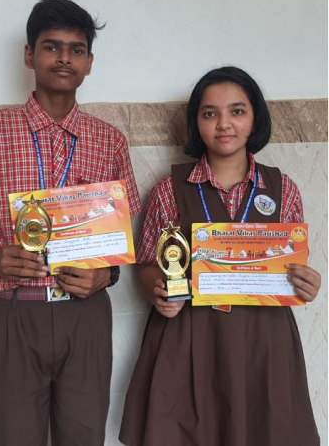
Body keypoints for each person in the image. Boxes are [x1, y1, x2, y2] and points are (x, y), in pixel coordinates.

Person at [0, 0, 141, 446]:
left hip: (85, 315)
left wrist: (106, 275)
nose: (64, 58)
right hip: (12, 310)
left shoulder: (110, 140)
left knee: (83, 437)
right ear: (29, 55)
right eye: (51, 47)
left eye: (76, 49)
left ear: (89, 63)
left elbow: (121, 234)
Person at [119, 66, 321, 446]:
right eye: (209, 113)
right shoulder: (168, 189)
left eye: (237, 111)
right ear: (196, 123)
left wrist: (307, 284)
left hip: (263, 341)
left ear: (255, 119)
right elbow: (146, 263)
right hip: (187, 337)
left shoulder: (282, 189)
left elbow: (292, 267)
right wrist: (157, 291)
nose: (224, 123)